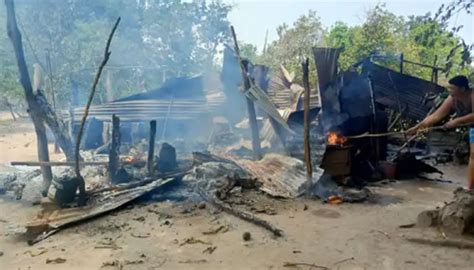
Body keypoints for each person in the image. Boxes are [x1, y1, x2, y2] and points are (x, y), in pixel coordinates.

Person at [408, 75, 473, 189]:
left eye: (452, 88)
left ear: (462, 89)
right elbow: (437, 115)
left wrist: (456, 121)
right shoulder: (452, 98)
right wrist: (418, 127)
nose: (449, 91)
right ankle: (470, 189)